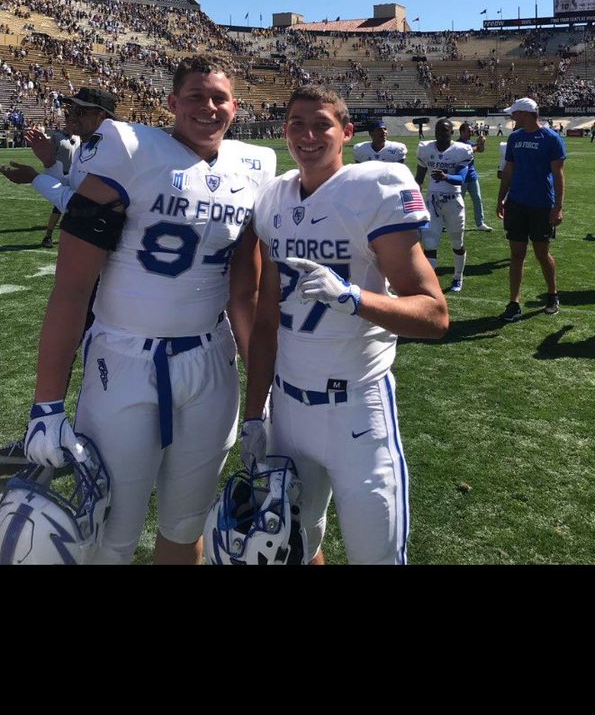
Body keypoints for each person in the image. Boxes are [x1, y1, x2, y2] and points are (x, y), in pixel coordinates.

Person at [20, 56, 261, 565]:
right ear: (172, 103)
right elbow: (71, 288)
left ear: (235, 107)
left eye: (219, 97)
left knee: (186, 521)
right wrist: (46, 404)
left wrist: (264, 397)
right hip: (124, 359)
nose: (208, 106)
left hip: (211, 359)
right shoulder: (128, 149)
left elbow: (246, 294)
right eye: (195, 96)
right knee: (111, 530)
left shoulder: (254, 167)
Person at [241, 84, 447, 565]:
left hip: (358, 408)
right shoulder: (273, 199)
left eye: (321, 125)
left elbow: (434, 316)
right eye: (297, 124)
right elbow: (267, 319)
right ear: (283, 129)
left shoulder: (373, 188)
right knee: (291, 549)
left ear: (346, 132)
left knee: (375, 556)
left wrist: (355, 299)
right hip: (288, 410)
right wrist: (255, 412)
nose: (308, 135)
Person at [0, 88, 117, 249]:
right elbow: (73, 186)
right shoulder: (87, 147)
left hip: (106, 248)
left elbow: (82, 207)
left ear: (101, 116)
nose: (71, 116)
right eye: (71, 110)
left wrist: (34, 178)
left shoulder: (111, 152)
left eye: (80, 111)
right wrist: (50, 163)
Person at [496, 97, 566, 322]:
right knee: (516, 254)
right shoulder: (514, 138)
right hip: (516, 203)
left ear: (525, 114)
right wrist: (501, 199)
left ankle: (552, 294)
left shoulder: (551, 138)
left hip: (541, 204)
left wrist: (558, 207)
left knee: (541, 253)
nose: (511, 117)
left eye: (514, 114)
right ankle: (514, 303)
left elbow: (558, 174)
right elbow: (509, 170)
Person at [415, 118, 473, 293]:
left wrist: (446, 177)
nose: (441, 135)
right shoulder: (426, 149)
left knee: (457, 242)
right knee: (430, 243)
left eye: (445, 131)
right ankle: (430, 282)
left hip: (453, 200)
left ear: (452, 133)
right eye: (438, 131)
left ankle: (457, 276)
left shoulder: (461, 151)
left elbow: (462, 179)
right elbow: (418, 179)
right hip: (432, 200)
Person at [457, 121, 492, 231]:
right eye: (469, 131)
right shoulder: (457, 144)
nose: (471, 133)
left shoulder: (469, 142)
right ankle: (453, 223)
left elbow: (480, 150)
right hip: (461, 177)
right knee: (458, 202)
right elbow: (469, 151)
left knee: (477, 199)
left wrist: (482, 143)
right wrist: (477, 145)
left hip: (472, 176)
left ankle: (480, 223)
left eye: (472, 131)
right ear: (462, 131)